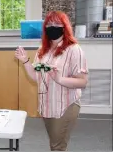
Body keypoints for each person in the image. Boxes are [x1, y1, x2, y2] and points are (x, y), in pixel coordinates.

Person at [15, 11, 88, 151]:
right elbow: (36, 77)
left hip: (65, 106)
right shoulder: (42, 50)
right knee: (54, 143)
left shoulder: (74, 49)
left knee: (57, 146)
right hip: (47, 106)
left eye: (56, 24)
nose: (52, 27)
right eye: (49, 24)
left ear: (64, 27)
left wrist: (60, 79)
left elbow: (83, 82)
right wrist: (25, 61)